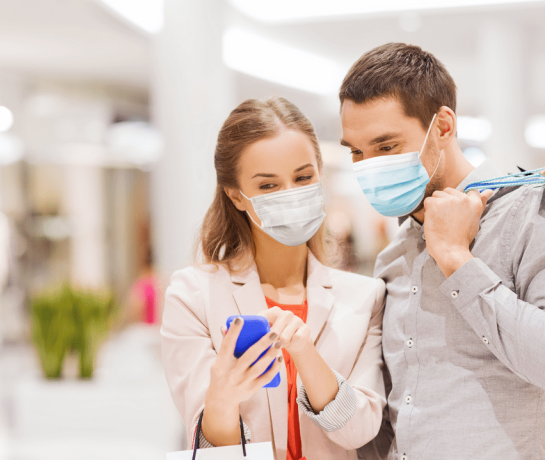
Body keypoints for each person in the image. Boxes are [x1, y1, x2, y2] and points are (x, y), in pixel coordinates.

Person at [340, 43, 545, 460]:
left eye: (386, 147)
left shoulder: (536, 211)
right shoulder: (393, 255)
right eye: (356, 151)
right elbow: (394, 412)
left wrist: (457, 260)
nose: (369, 166)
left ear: (443, 127)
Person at [161, 97, 386, 460]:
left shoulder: (365, 298)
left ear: (320, 175)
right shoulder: (193, 295)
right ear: (236, 196)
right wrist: (222, 395)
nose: (292, 195)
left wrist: (305, 353)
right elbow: (209, 448)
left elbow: (359, 431)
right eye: (268, 186)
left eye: (303, 177)